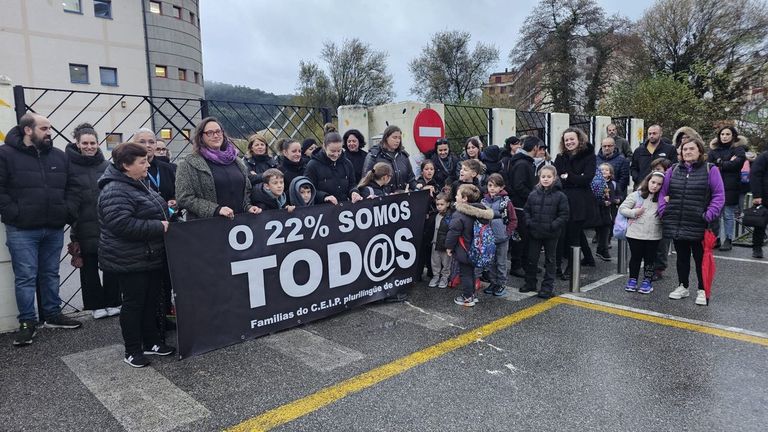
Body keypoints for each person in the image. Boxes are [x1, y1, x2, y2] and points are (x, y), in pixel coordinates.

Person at [1, 113, 83, 346]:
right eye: (45, 128)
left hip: (53, 226)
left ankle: (52, 315)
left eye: (50, 128)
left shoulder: (59, 156)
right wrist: (14, 213)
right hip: (21, 229)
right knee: (26, 277)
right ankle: (27, 322)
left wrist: (67, 211)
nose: (50, 133)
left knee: (50, 273)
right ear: (28, 130)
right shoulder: (5, 155)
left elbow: (73, 187)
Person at [97, 142, 174, 367]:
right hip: (129, 258)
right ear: (125, 165)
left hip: (149, 255)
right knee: (133, 304)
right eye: (142, 162)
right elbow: (121, 224)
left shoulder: (139, 183)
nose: (147, 165)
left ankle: (152, 341)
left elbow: (155, 209)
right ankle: (132, 349)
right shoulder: (114, 189)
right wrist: (158, 227)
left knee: (151, 301)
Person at [658, 134, 725, 306]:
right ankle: (683, 286)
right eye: (684, 149)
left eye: (691, 149)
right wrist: (663, 211)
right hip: (677, 222)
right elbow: (663, 193)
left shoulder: (711, 169)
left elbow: (719, 196)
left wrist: (708, 215)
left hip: (699, 223)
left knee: (700, 259)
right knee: (681, 257)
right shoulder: (673, 169)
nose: (687, 152)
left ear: (700, 151)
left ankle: (702, 290)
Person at [66, 123, 119, 319]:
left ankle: (114, 302)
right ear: (77, 144)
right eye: (85, 143)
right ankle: (95, 305)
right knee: (88, 266)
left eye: (93, 143)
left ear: (98, 143)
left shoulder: (106, 166)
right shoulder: (68, 167)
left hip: (107, 223)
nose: (89, 146)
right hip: (82, 224)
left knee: (112, 265)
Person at [176, 117, 261, 220]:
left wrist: (248, 207)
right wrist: (215, 210)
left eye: (218, 131)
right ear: (201, 136)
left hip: (238, 225)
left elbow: (243, 192)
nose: (216, 136)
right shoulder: (188, 164)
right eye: (210, 133)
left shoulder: (237, 161)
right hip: (208, 227)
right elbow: (184, 198)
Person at [553, 128, 597, 279]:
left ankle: (572, 268)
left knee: (574, 236)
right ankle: (556, 266)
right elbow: (557, 177)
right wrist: (575, 177)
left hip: (580, 202)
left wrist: (569, 176)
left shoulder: (589, 156)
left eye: (572, 139)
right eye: (566, 140)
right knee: (559, 236)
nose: (569, 142)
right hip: (562, 199)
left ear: (579, 139)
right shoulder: (560, 157)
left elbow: (587, 178)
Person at [522, 165, 569, 298]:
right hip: (535, 233)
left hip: (551, 234)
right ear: (539, 177)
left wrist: (553, 225)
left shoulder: (560, 196)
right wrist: (530, 223)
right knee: (532, 259)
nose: (546, 179)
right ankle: (530, 283)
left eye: (549, 177)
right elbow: (527, 210)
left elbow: (564, 215)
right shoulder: (533, 194)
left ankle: (547, 287)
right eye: (543, 176)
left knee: (550, 260)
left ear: (554, 178)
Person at [445, 184, 493, 307]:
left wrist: (449, 247)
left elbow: (453, 232)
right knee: (471, 273)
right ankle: (471, 294)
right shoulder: (481, 212)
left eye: (458, 194)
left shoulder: (460, 214)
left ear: (465, 198)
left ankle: (467, 297)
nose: (455, 196)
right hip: (477, 249)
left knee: (465, 274)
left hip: (464, 249)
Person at [620, 171, 664, 294]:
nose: (655, 186)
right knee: (635, 257)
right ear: (648, 181)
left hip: (653, 234)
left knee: (650, 259)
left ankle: (647, 281)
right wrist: (634, 212)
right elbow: (622, 208)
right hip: (635, 233)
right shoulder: (636, 195)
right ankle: (632, 280)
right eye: (653, 182)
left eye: (659, 184)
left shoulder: (663, 198)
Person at [507, 136, 542, 278]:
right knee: (519, 237)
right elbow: (519, 186)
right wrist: (533, 196)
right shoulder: (522, 164)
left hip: (524, 206)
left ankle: (526, 263)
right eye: (538, 148)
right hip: (519, 207)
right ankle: (516, 265)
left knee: (526, 237)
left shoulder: (526, 162)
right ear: (534, 148)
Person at [708, 126, 747, 251]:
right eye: (722, 134)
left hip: (731, 186)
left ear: (733, 136)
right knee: (716, 215)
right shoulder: (713, 151)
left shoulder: (739, 150)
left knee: (728, 214)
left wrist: (719, 163)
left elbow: (737, 164)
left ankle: (728, 239)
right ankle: (717, 239)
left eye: (727, 134)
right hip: (715, 186)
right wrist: (726, 162)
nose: (724, 136)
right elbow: (709, 167)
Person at [481, 173, 517, 297]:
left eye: (495, 186)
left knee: (501, 262)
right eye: (490, 185)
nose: (492, 188)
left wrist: (507, 232)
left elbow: (513, 219)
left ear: (501, 187)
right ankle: (493, 282)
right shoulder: (484, 201)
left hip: (502, 237)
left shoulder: (506, 202)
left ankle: (501, 283)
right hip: (488, 238)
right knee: (490, 262)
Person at [304, 132, 363, 205]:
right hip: (322, 210)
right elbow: (308, 189)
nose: (336, 154)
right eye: (332, 151)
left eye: (339, 151)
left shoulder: (347, 163)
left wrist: (354, 192)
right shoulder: (312, 165)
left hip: (344, 208)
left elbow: (352, 183)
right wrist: (324, 197)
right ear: (324, 147)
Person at [132, 129, 177, 217]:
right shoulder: (130, 170)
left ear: (155, 145)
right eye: (142, 142)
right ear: (134, 144)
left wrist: (175, 201)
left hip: (171, 221)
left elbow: (177, 192)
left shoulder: (167, 168)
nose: (147, 145)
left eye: (151, 142)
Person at [363, 125, 417, 192]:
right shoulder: (374, 155)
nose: (397, 141)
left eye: (399, 138)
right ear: (386, 138)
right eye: (394, 137)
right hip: (383, 198)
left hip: (403, 197)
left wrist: (418, 187)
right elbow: (366, 180)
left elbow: (411, 179)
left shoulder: (403, 156)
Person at [594, 162, 621, 261]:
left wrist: (618, 199)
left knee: (607, 230)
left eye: (606, 170)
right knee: (601, 231)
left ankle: (602, 249)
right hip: (599, 210)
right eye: (602, 170)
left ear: (610, 173)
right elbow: (594, 197)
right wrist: (602, 202)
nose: (604, 171)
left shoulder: (613, 184)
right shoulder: (595, 183)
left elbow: (619, 194)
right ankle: (602, 249)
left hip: (610, 210)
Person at [428, 193, 453, 289]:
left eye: (441, 204)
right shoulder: (435, 215)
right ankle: (436, 276)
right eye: (437, 204)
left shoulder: (450, 216)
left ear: (447, 204)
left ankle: (444, 277)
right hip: (434, 242)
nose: (439, 206)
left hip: (445, 244)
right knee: (435, 261)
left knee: (446, 262)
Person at [749, 149, 768, 258]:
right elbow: (755, 175)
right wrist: (757, 195)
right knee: (760, 225)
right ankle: (757, 248)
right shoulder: (764, 156)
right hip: (764, 197)